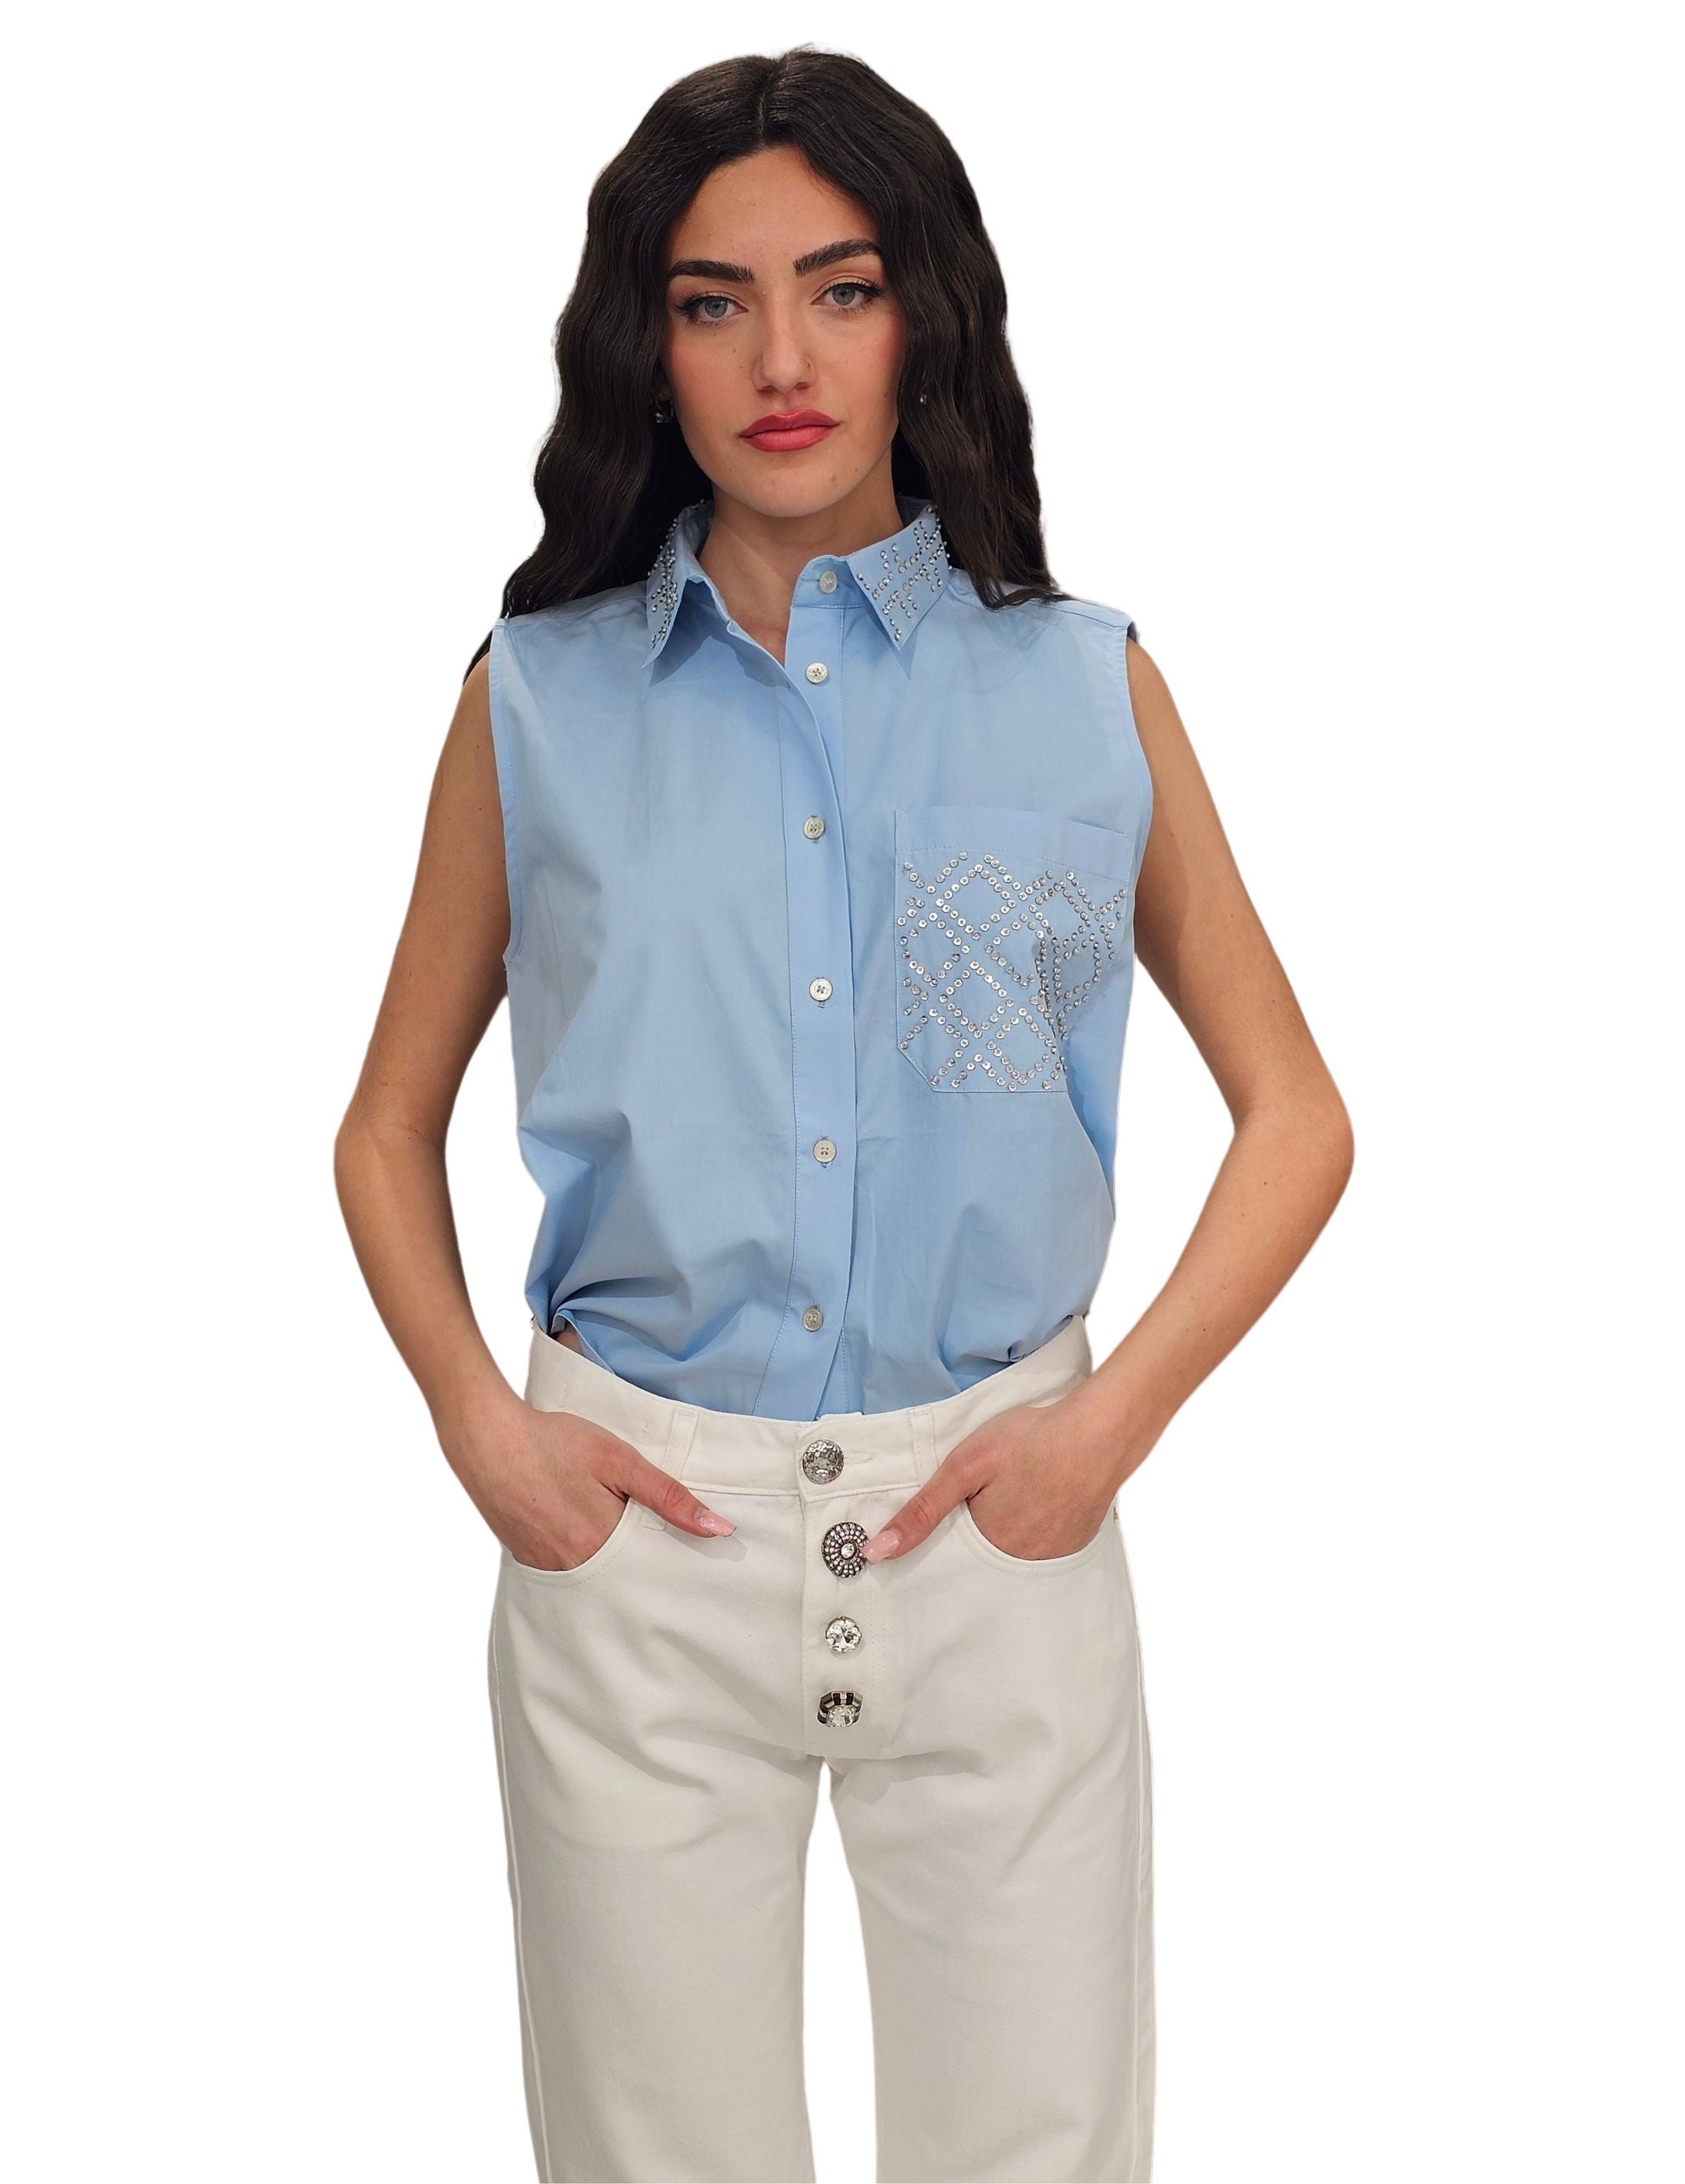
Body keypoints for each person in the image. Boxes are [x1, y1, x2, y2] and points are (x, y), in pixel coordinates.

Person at [333, 45, 1352, 2184]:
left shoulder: (1079, 684)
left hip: (1000, 1519)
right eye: (712, 302)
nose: (780, 361)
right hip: (637, 1536)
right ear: (647, 348)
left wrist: (1103, 1429)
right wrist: (481, 1429)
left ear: (924, 318)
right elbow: (383, 1125)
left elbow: (1293, 1116)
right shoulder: (536, 701)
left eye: (842, 287)